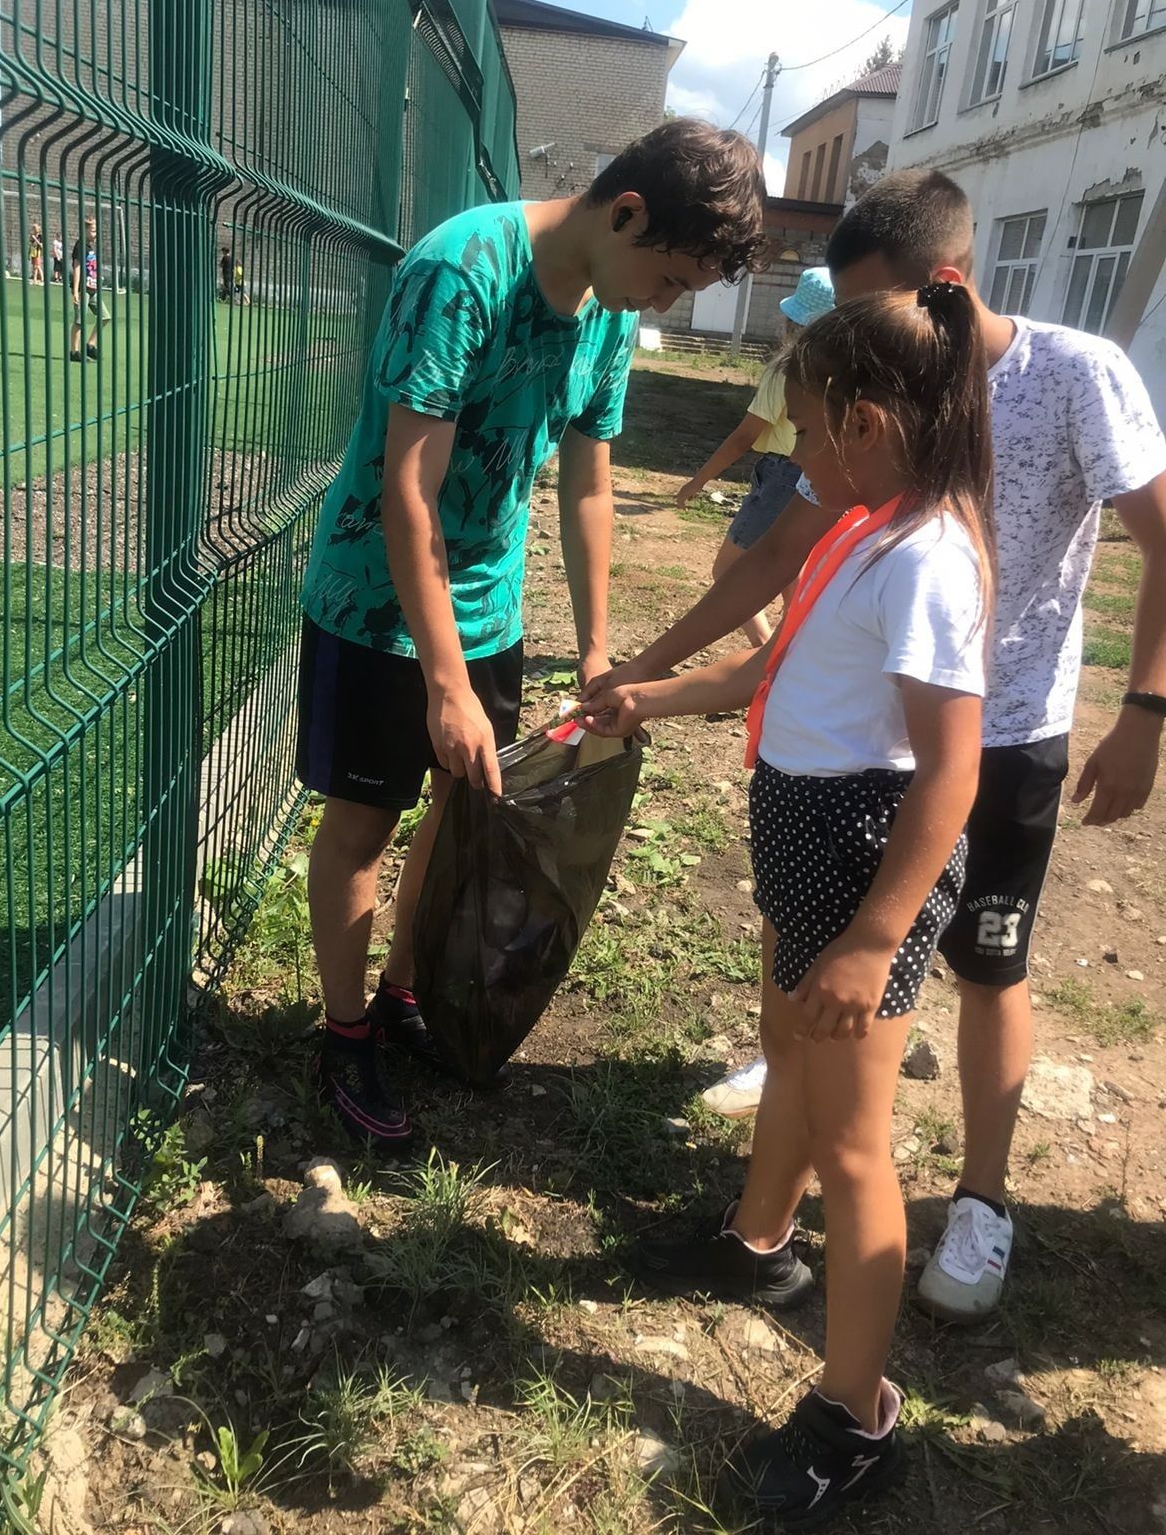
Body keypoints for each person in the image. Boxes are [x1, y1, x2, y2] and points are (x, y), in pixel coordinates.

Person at [584, 169, 1166, 1322]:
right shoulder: (863, 442)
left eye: (870, 309)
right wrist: (640, 672)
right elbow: (768, 565)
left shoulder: (1066, 379)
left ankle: (982, 1199)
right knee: (810, 979)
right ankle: (773, 1197)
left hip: (996, 740)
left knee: (987, 962)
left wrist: (1145, 710)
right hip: (859, 752)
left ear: (936, 291)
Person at [583, 282, 994, 1523]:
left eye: (805, 431)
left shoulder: (925, 558)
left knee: (857, 1144)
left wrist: (875, 937)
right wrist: (648, 697)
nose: (795, 453)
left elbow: (954, 769)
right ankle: (757, 1242)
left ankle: (858, 1412)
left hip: (865, 869)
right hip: (812, 854)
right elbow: (778, 664)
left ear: (866, 420)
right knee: (787, 1058)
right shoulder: (860, 529)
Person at [296, 119, 770, 1148]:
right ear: (626, 211)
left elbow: (590, 484)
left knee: (466, 813)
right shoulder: (461, 270)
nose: (664, 304)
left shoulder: (606, 311)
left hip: (491, 608)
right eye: (670, 278)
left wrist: (598, 644)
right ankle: (344, 1034)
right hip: (377, 607)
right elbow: (407, 490)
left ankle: (404, 991)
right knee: (365, 823)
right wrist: (442, 680)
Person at [675, 266, 835, 648]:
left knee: (727, 569)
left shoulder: (785, 370)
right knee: (791, 575)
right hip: (820, 479)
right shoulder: (840, 373)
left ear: (792, 320)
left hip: (781, 474)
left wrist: (698, 480)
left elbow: (746, 435)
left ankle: (767, 654)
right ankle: (792, 654)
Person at [70, 216, 111, 361]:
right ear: (84, 230)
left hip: (93, 289)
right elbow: (77, 268)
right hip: (83, 289)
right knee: (79, 321)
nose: (95, 233)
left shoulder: (89, 247)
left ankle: (90, 345)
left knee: (105, 317)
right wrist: (75, 290)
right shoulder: (80, 246)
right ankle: (74, 352)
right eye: (93, 230)